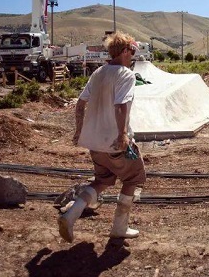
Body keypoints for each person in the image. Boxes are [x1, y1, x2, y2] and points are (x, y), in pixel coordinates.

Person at [58, 32, 146, 243]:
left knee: (102, 180)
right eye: (132, 52)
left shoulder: (98, 72)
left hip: (94, 143)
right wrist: (123, 135)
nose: (133, 56)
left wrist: (79, 131)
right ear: (125, 51)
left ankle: (70, 215)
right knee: (133, 178)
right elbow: (121, 105)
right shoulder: (126, 74)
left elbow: (80, 104)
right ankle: (119, 227)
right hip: (115, 142)